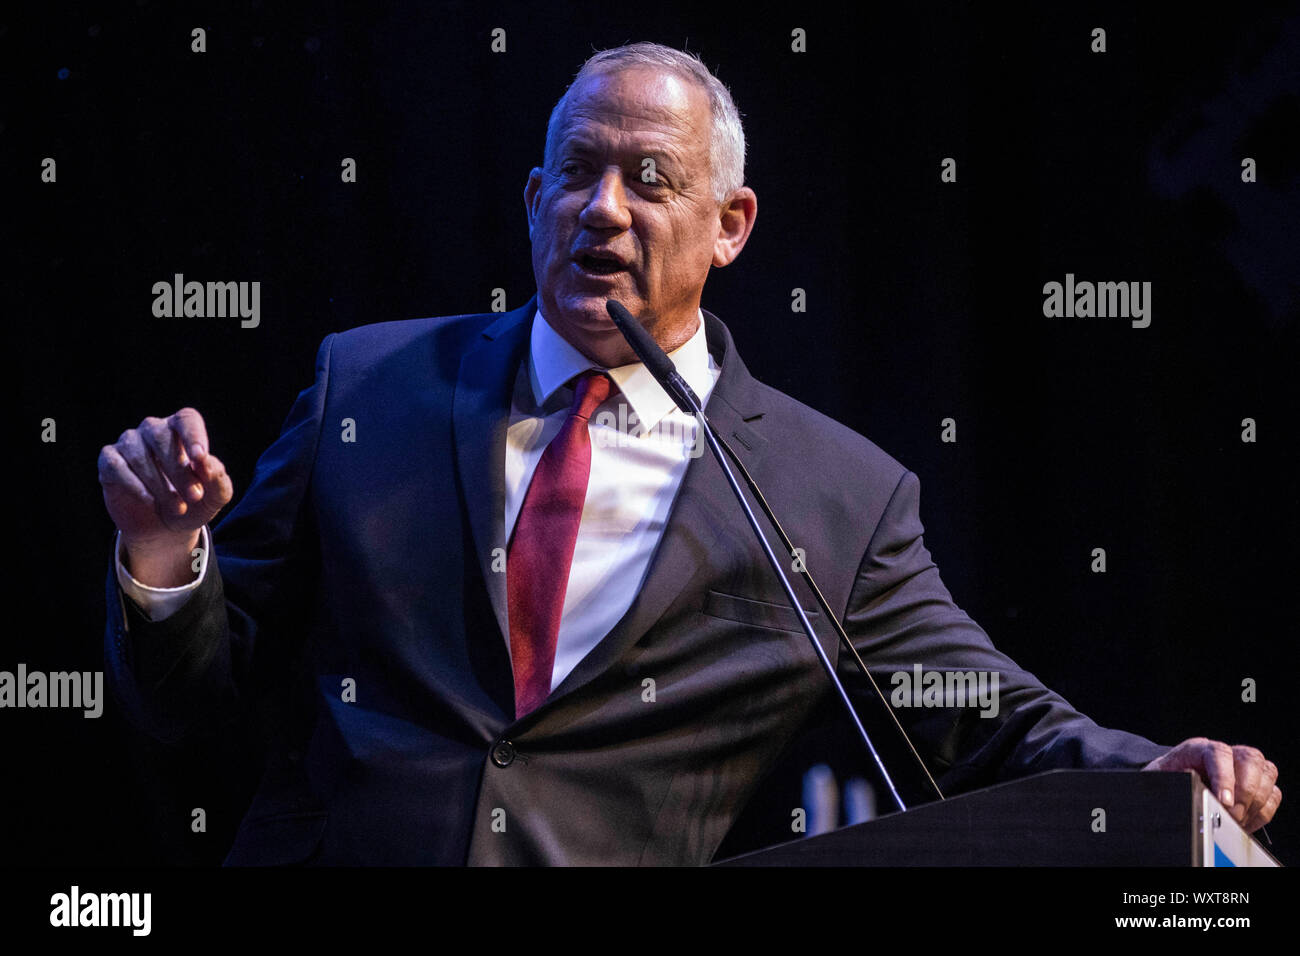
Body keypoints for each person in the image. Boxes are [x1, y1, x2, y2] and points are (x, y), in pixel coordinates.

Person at [98, 42, 1280, 865]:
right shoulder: (372, 385)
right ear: (531, 199)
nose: (601, 209)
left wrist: (1148, 765)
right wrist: (164, 558)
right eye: (576, 172)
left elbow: (972, 710)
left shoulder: (831, 496)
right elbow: (199, 692)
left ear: (732, 225)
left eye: (650, 180)